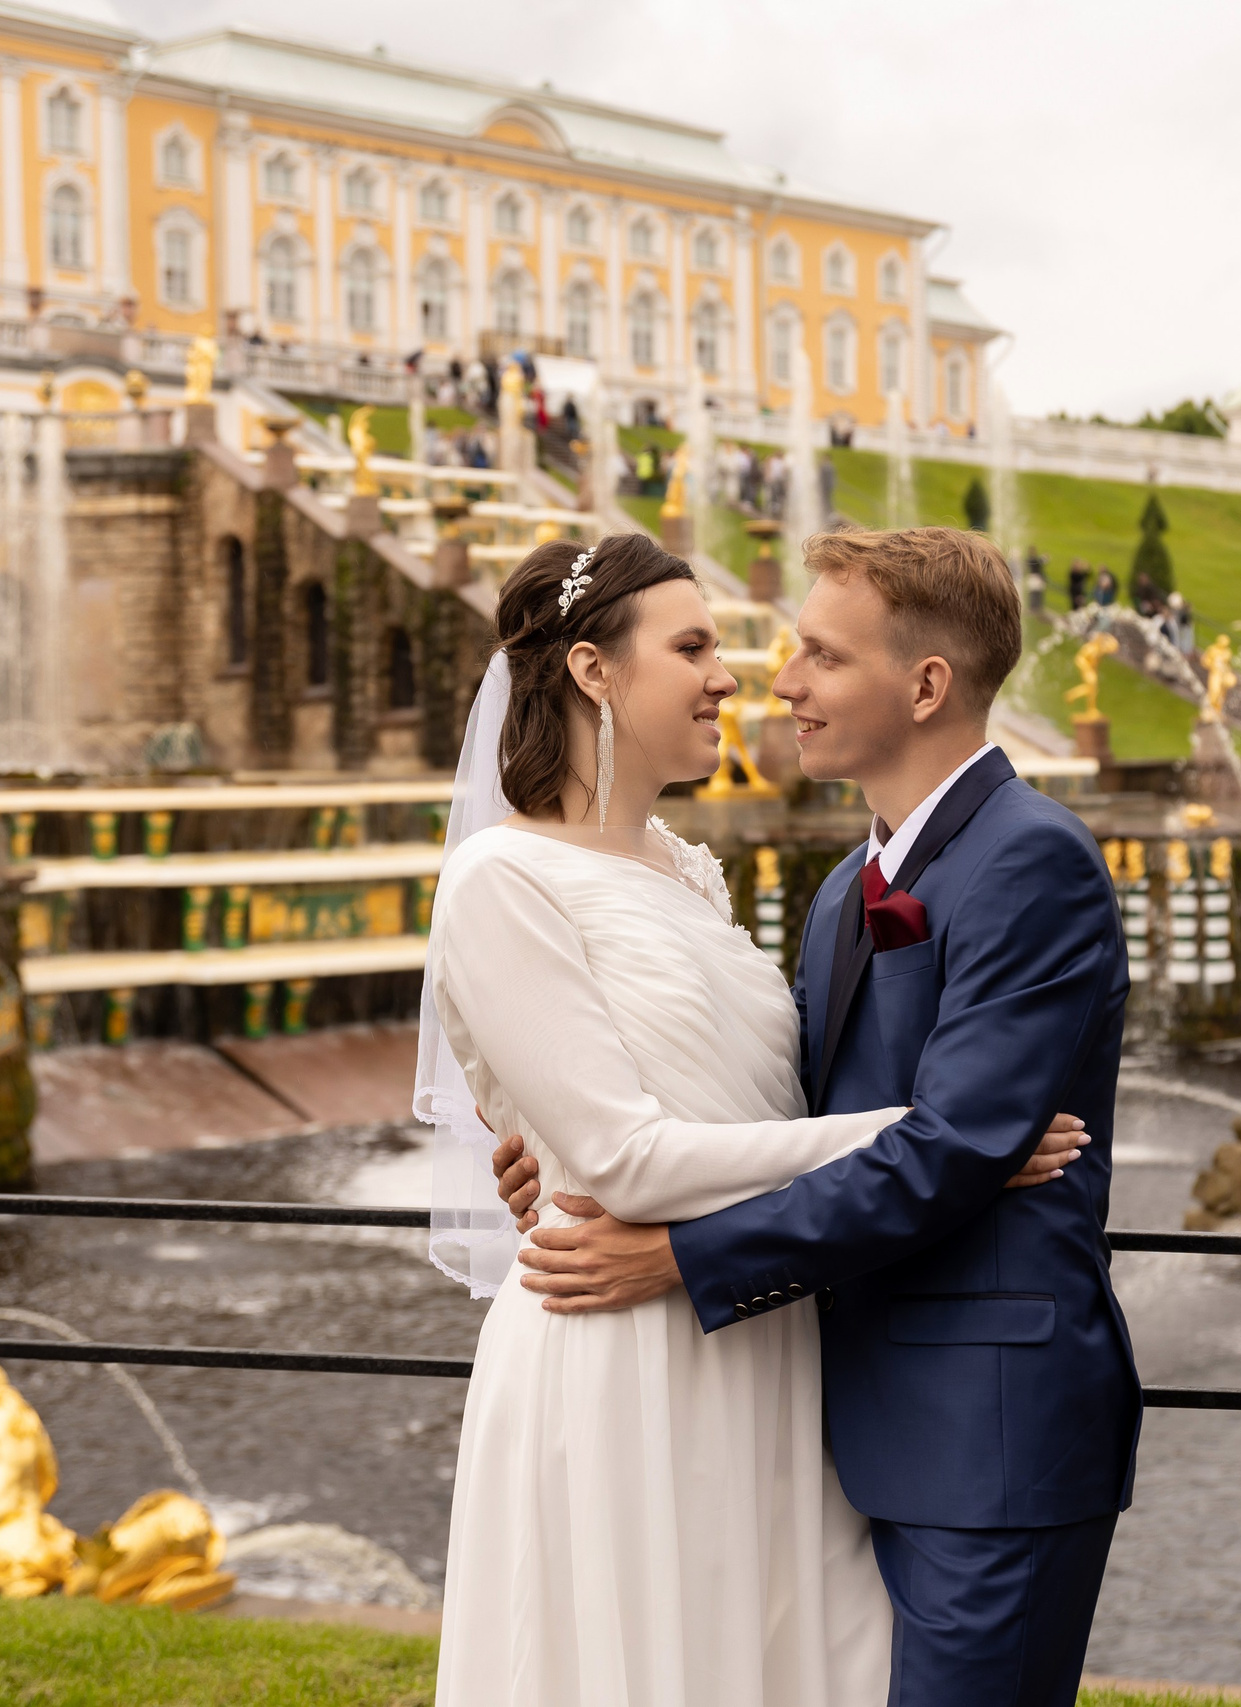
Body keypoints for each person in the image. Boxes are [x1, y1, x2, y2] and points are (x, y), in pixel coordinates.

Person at [444, 528, 1135, 1707]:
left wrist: (673, 1251)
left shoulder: (1031, 862)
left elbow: (942, 1144)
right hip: (794, 1388)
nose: (770, 677)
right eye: (707, 646)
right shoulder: (836, 893)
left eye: (816, 652)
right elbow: (816, 1115)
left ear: (924, 686)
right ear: (592, 673)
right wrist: (550, 1143)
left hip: (980, 1432)